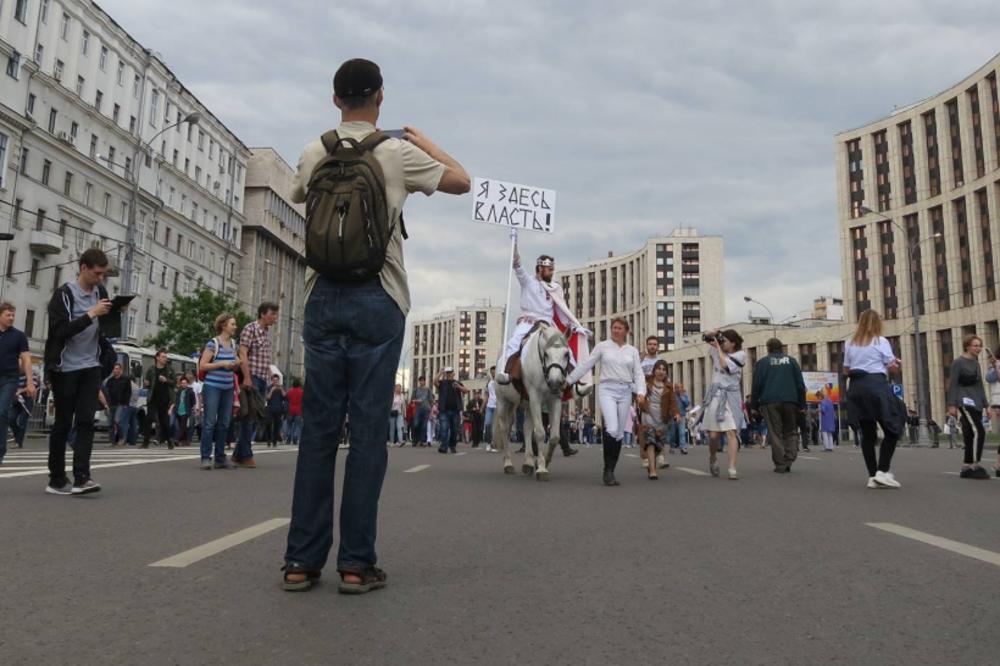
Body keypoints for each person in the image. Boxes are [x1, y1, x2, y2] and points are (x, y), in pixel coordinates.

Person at [283, 57, 470, 593]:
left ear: (334, 98)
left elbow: (298, 194)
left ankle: (300, 561)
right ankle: (355, 564)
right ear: (380, 97)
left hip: (321, 297)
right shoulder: (395, 152)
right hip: (379, 298)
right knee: (368, 433)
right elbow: (462, 181)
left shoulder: (314, 149)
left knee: (318, 430)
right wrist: (427, 143)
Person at [42, 248, 110, 494]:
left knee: (85, 421)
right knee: (62, 423)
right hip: (65, 368)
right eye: (96, 273)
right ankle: (57, 479)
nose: (100, 279)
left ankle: (82, 477)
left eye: (103, 274)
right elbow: (60, 331)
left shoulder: (101, 292)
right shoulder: (63, 295)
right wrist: (91, 313)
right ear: (83, 268)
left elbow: (105, 328)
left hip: (91, 365)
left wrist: (113, 314)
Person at [494, 244, 589, 387]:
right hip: (528, 322)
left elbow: (561, 313)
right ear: (540, 269)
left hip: (547, 325)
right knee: (514, 342)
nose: (552, 272)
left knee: (564, 349)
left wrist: (575, 327)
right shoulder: (528, 281)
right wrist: (515, 244)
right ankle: (507, 374)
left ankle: (574, 382)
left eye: (552, 270)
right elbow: (517, 264)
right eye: (549, 270)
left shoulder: (555, 288)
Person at [566, 317, 646, 486]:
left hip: (625, 391)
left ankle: (610, 469)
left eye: (619, 328)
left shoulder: (632, 351)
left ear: (626, 331)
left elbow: (638, 373)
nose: (616, 330)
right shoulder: (602, 346)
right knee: (612, 427)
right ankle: (607, 470)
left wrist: (640, 392)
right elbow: (586, 364)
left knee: (618, 434)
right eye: (614, 327)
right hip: (607, 389)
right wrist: (569, 380)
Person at [843, 309, 904, 489]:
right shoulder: (881, 341)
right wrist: (897, 364)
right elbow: (891, 367)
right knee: (892, 429)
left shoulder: (850, 343)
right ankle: (882, 471)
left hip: (856, 389)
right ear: (877, 323)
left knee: (868, 434)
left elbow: (846, 369)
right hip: (876, 387)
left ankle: (872, 476)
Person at [750, 337, 806, 473]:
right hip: (790, 401)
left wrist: (754, 405)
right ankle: (790, 457)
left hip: (770, 402)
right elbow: (800, 385)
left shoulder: (762, 363)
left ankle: (780, 464)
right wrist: (802, 404)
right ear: (782, 348)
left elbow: (756, 385)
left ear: (768, 348)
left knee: (775, 433)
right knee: (790, 430)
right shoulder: (792, 361)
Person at [698, 329, 747, 480]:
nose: (722, 343)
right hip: (716, 396)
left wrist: (718, 347)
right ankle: (712, 457)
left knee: (731, 431)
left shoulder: (740, 355)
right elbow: (705, 337)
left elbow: (725, 365)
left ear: (733, 343)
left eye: (725, 341)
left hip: (730, 397)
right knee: (713, 436)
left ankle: (732, 467)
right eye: (721, 341)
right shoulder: (716, 349)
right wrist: (715, 332)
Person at [235, 302, 278, 466]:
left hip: (261, 378)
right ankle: (246, 455)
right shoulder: (250, 329)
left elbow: (264, 358)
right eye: (272, 314)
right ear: (262, 314)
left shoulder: (266, 332)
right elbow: (243, 354)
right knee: (249, 417)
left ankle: (238, 454)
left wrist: (269, 376)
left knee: (256, 416)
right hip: (251, 377)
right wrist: (246, 377)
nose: (275, 318)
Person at [198, 314, 240, 470]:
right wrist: (221, 363)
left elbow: (234, 364)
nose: (235, 327)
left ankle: (220, 458)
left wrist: (235, 364)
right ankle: (205, 457)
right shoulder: (213, 344)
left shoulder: (234, 344)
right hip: (212, 387)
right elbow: (203, 365)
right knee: (209, 423)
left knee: (224, 423)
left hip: (228, 387)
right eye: (233, 324)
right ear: (224, 326)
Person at [947, 334, 990, 479]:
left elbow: (980, 386)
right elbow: (952, 384)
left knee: (969, 433)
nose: (978, 348)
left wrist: (986, 405)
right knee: (979, 431)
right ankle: (974, 465)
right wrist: (952, 405)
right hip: (963, 401)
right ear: (967, 346)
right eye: (975, 345)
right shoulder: (958, 362)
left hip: (976, 402)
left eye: (979, 345)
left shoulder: (976, 364)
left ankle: (966, 466)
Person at [0, 303, 36, 465]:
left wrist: (30, 382)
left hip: (9, 378)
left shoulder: (19, 336)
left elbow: (26, 360)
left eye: (13, 315)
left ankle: (1, 449)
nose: (11, 318)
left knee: (1, 411)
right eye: (8, 315)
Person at [638, 360, 679, 480]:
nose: (661, 371)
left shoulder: (669, 386)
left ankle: (651, 463)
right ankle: (652, 470)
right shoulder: (646, 382)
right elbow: (639, 394)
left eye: (663, 369)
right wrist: (640, 401)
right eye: (658, 369)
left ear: (666, 372)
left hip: (662, 417)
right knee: (650, 441)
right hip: (648, 414)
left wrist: (676, 413)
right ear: (654, 370)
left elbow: (673, 402)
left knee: (659, 445)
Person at [143, 349, 176, 449]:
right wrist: (146, 383)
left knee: (164, 421)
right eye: (163, 357)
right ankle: (145, 442)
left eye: (166, 357)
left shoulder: (169, 370)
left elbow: (174, 383)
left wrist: (166, 380)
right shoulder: (151, 369)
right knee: (149, 419)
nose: (165, 359)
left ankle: (169, 440)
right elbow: (147, 382)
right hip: (153, 398)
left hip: (164, 398)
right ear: (157, 358)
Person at [436, 368, 469, 453]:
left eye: (450, 373)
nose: (449, 374)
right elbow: (435, 382)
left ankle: (452, 445)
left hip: (455, 410)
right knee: (444, 428)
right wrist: (440, 373)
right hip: (444, 410)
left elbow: (466, 391)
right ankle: (443, 446)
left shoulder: (457, 383)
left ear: (453, 374)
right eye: (447, 373)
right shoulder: (442, 383)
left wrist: (458, 387)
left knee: (454, 429)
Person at [104, 363, 131, 447]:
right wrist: (105, 404)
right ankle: (112, 441)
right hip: (111, 404)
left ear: (120, 370)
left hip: (121, 404)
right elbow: (106, 392)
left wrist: (126, 403)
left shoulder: (125, 379)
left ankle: (122, 438)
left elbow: (128, 392)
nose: (115, 370)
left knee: (117, 421)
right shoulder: (110, 380)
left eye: (117, 369)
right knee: (110, 423)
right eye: (114, 369)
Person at [170, 376, 196, 447]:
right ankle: (185, 441)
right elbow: (176, 400)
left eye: (185, 383)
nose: (183, 384)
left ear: (187, 383)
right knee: (182, 426)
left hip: (186, 410)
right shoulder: (179, 391)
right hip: (178, 410)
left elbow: (193, 402)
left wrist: (194, 410)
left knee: (182, 426)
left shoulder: (191, 391)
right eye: (182, 383)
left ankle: (177, 439)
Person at [266, 374, 287, 448]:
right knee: (268, 424)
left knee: (276, 426)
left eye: (277, 380)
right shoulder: (269, 387)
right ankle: (268, 439)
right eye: (274, 380)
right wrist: (272, 390)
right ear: (272, 381)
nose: (275, 382)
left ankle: (274, 442)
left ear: (278, 380)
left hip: (278, 409)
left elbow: (285, 396)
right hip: (270, 409)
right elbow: (267, 398)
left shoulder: (282, 387)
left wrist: (281, 389)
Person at [672, 383, 691, 454]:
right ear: (675, 388)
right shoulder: (672, 395)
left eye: (680, 387)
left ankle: (682, 447)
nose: (678, 389)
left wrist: (681, 396)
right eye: (677, 387)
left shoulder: (684, 395)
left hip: (682, 415)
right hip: (673, 416)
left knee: (682, 432)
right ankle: (672, 446)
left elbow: (687, 403)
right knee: (673, 433)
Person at [285, 379, 304, 446]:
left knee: (289, 425)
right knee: (297, 426)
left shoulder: (289, 392)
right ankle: (295, 438)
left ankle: (288, 438)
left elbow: (286, 399)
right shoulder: (302, 392)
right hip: (298, 411)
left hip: (290, 411)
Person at [483, 367, 498, 451]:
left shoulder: (500, 382)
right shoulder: (489, 382)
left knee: (495, 427)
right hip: (489, 406)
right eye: (492, 372)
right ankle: (488, 443)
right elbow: (486, 395)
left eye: (494, 372)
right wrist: (482, 407)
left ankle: (494, 444)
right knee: (488, 424)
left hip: (498, 407)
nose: (493, 374)